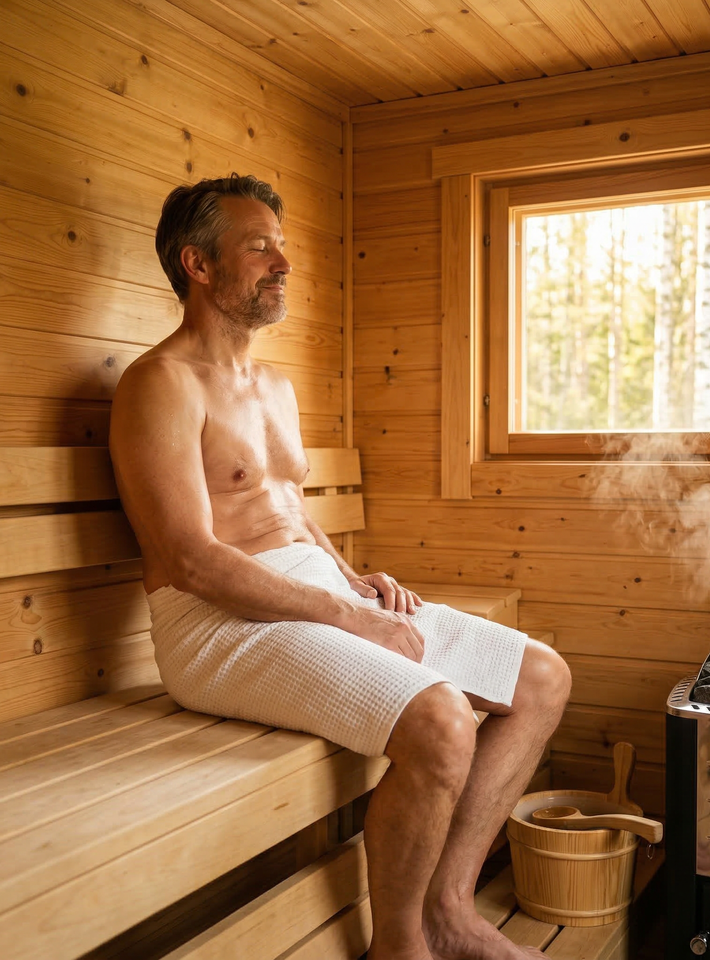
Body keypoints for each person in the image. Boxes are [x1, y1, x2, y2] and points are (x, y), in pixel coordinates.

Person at [109, 174, 572, 960]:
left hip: (313, 600)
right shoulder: (159, 385)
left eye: (282, 245)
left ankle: (451, 909)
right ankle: (400, 945)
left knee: (541, 679)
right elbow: (189, 559)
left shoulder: (275, 387)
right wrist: (350, 615)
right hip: (218, 630)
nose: (282, 261)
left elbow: (289, 512)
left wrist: (354, 581)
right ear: (198, 264)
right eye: (259, 246)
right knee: (440, 719)